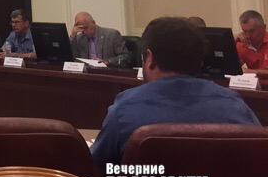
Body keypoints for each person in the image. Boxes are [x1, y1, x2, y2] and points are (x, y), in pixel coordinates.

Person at [90, 16, 259, 168]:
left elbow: (96, 169)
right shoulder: (235, 105)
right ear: (200, 61)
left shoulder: (125, 108)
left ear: (149, 58)